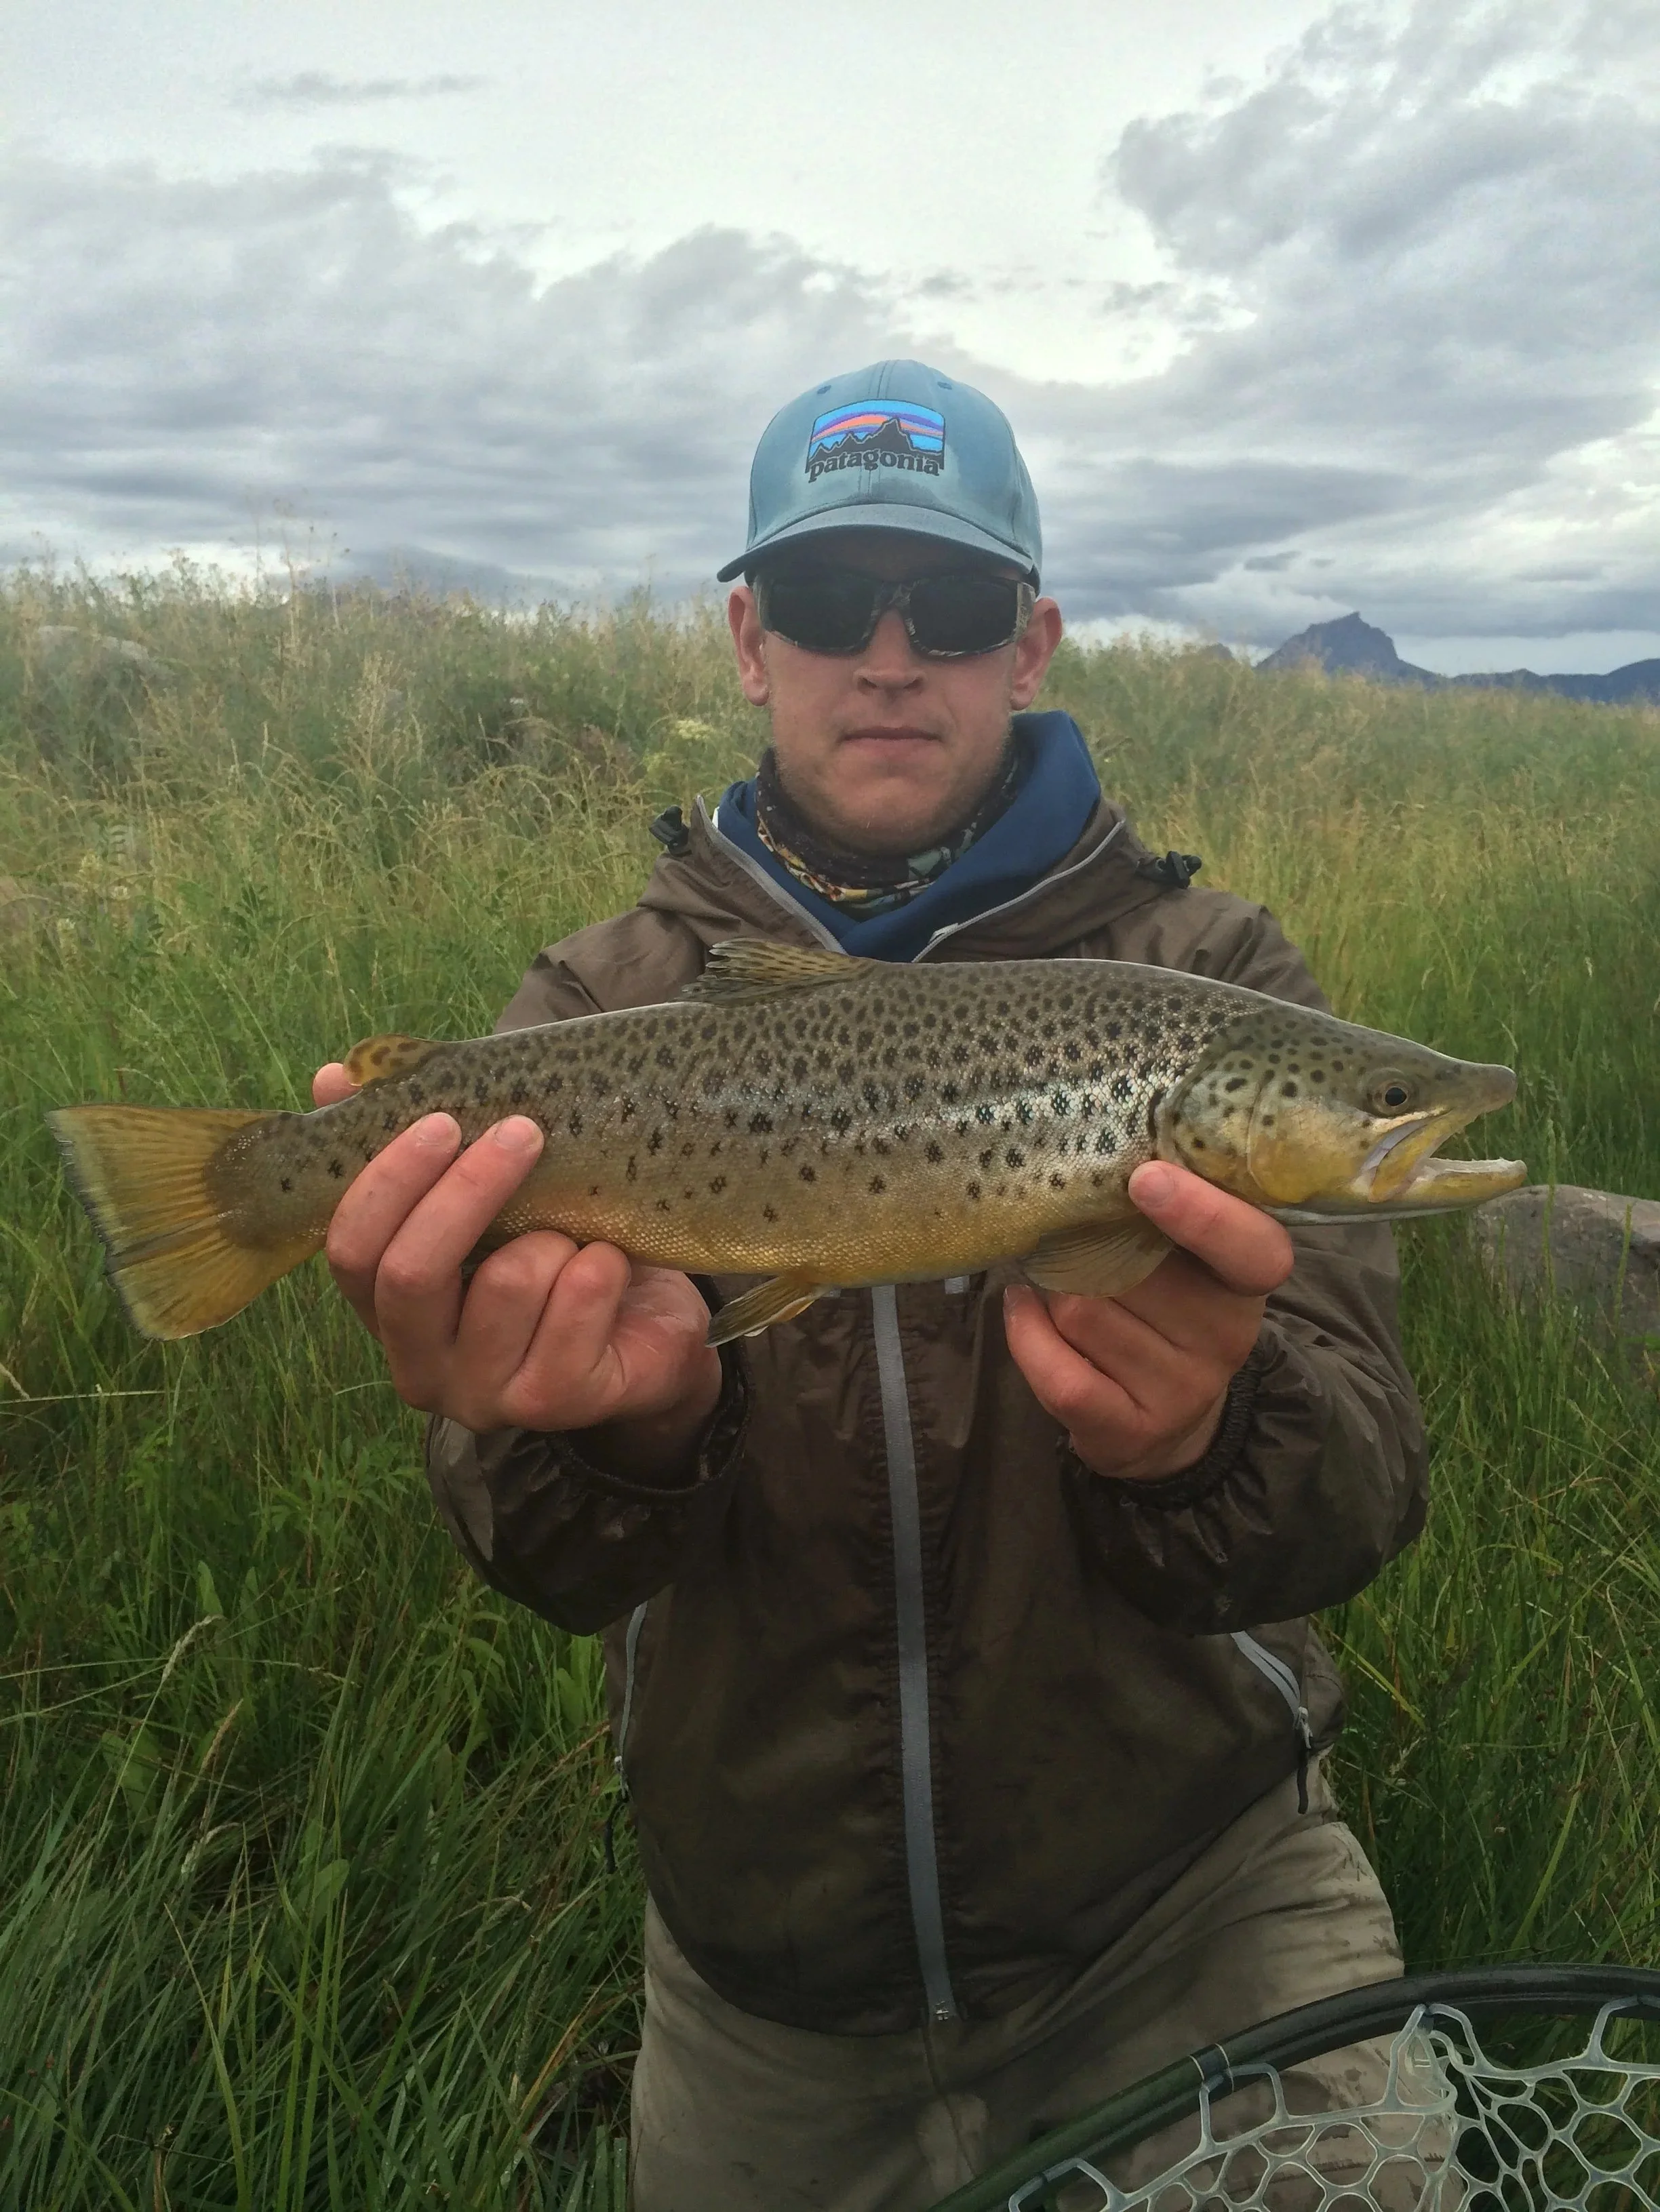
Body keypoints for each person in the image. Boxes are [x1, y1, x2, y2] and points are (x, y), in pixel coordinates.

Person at [313, 361, 1427, 2211]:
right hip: (769, 1999)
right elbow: (533, 1553)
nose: (891, 654)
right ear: (752, 639)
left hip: (1199, 1918)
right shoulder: (600, 1009)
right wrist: (637, 1424)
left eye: (955, 603)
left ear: (1034, 639)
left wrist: (1210, 1439)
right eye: (835, 604)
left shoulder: (1214, 973)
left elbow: (1364, 1484)